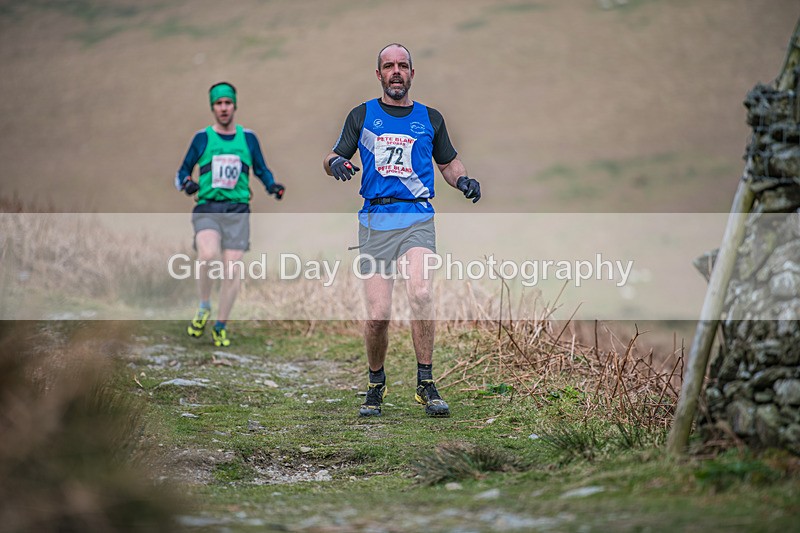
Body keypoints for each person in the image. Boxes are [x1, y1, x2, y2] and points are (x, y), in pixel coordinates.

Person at [323, 44, 482, 418]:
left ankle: (426, 383)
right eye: (389, 66)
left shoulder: (430, 118)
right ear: (378, 74)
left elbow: (448, 162)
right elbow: (331, 157)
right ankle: (376, 383)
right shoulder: (362, 115)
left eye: (403, 66)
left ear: (412, 73)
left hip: (417, 218)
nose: (396, 72)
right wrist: (337, 165)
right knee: (378, 315)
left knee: (421, 291)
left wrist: (464, 181)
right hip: (375, 222)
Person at [175, 81, 284, 347]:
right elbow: (181, 173)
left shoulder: (248, 138)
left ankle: (221, 325)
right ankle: (203, 306)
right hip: (208, 207)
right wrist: (188, 183)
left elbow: (261, 169)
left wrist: (272, 186)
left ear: (235, 105)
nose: (223, 108)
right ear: (213, 107)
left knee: (232, 270)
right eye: (218, 104)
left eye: (227, 103)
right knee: (208, 255)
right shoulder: (202, 138)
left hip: (238, 211)